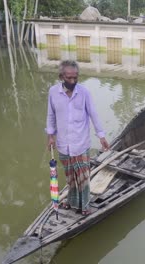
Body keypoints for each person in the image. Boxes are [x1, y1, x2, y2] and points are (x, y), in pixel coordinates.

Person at [46, 60, 110, 216]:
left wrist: (101, 136)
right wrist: (50, 136)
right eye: (69, 78)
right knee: (70, 177)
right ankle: (72, 202)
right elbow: (51, 115)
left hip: (80, 144)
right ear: (61, 76)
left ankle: (85, 206)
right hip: (63, 145)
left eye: (76, 77)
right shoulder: (53, 92)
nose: (73, 81)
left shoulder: (84, 92)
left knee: (83, 177)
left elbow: (93, 114)